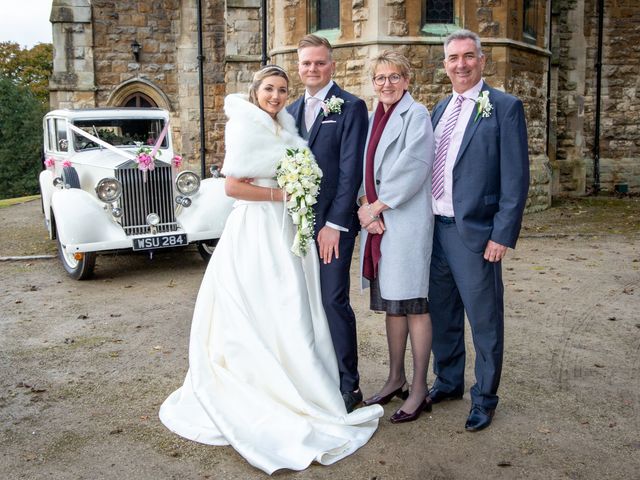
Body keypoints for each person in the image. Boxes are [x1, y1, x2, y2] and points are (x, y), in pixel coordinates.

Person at [159, 66, 383, 474]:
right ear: (255, 91)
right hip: (257, 231)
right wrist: (285, 192)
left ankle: (300, 380)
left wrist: (297, 191)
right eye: (269, 89)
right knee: (261, 304)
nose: (276, 96)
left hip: (286, 231)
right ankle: (263, 385)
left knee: (290, 306)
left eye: (282, 89)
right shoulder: (244, 126)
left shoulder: (285, 124)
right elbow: (232, 185)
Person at [427, 30, 530, 432]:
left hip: (475, 235)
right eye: (453, 58)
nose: (461, 64)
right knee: (443, 314)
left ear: (482, 61)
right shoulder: (438, 108)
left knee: (484, 320)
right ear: (445, 65)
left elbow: (515, 178)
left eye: (469, 56)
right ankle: (448, 381)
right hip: (434, 230)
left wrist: (502, 234)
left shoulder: (503, 107)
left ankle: (484, 397)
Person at [287, 35, 369, 412]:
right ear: (298, 67)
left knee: (333, 299)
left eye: (320, 63)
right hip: (294, 224)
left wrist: (336, 223)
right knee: (297, 300)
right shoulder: (287, 112)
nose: (313, 69)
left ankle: (349, 385)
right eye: (306, 63)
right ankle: (311, 376)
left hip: (332, 226)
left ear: (332, 66)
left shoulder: (351, 107)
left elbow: (351, 171)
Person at [356, 50, 435, 424]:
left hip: (404, 222)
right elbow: (364, 168)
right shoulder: (374, 118)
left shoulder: (416, 115)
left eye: (393, 77)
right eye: (379, 78)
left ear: (407, 80)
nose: (386, 84)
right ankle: (395, 377)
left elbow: (414, 167)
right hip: (379, 223)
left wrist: (376, 208)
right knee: (392, 304)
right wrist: (363, 206)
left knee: (414, 305)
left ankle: (419, 388)